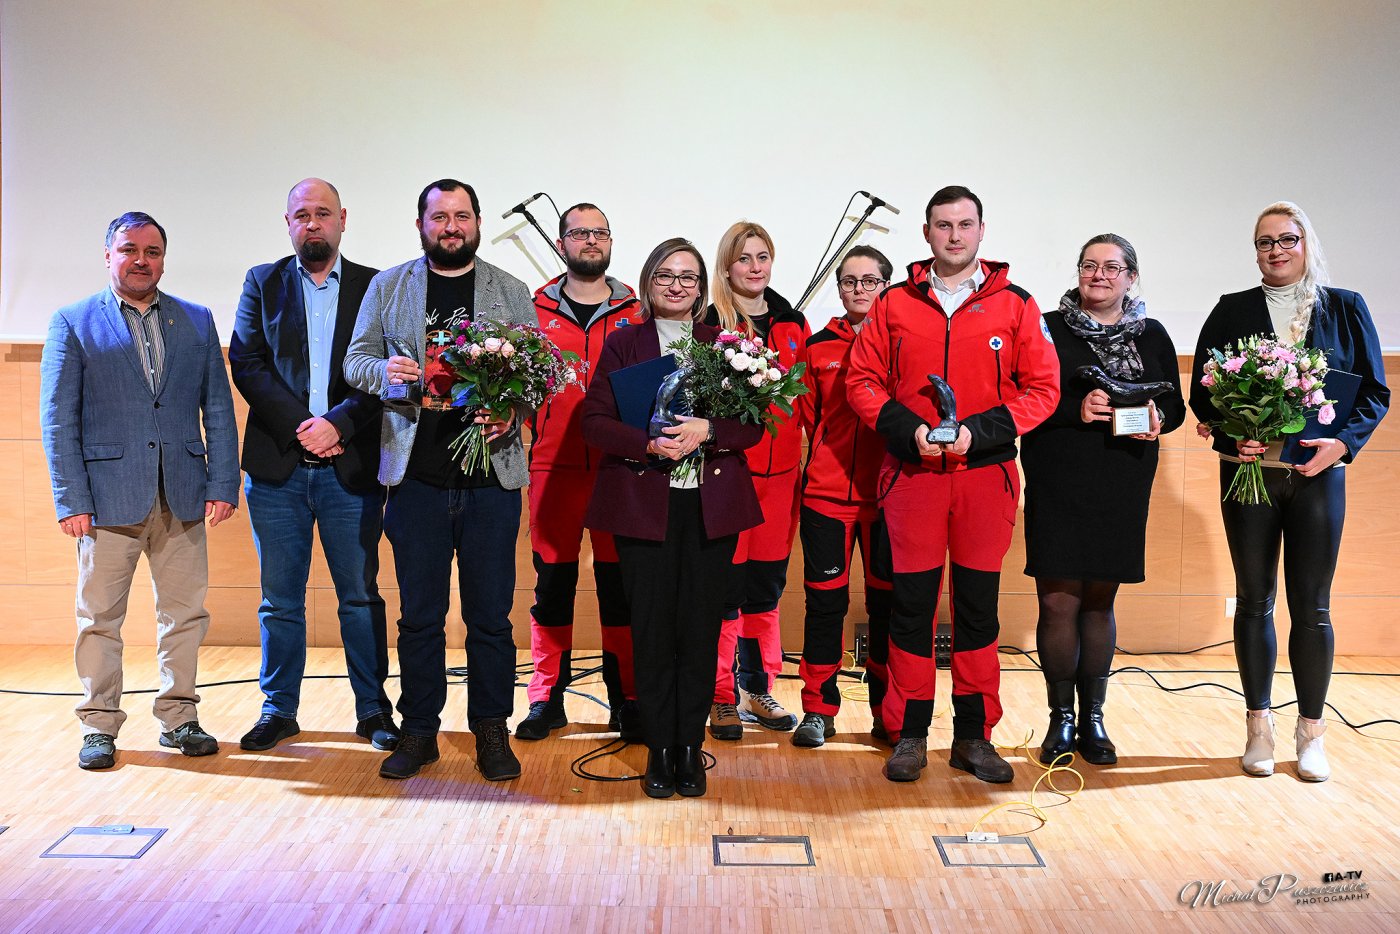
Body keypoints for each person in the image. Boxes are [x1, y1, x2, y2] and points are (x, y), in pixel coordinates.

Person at [847, 186, 1060, 783]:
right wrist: (908, 428)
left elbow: (1042, 390)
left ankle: (973, 735)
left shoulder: (1016, 305)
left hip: (984, 479)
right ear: (926, 233)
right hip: (912, 479)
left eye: (966, 225)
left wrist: (981, 431)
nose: (955, 236)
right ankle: (910, 732)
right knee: (910, 611)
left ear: (982, 231)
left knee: (977, 611)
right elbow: (862, 382)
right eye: (944, 225)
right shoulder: (893, 304)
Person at [343, 179, 537, 781]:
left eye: (461, 216)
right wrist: (389, 373)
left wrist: (514, 409)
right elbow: (355, 363)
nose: (451, 227)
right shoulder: (389, 286)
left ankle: (491, 732)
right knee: (419, 618)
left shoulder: (511, 290)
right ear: (421, 224)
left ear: (477, 222)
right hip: (415, 481)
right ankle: (420, 730)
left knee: (491, 620)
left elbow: (533, 376)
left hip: (491, 482)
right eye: (439, 217)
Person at [1189, 201, 1388, 782]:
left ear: (1306, 244)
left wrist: (1343, 446)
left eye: (1286, 239)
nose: (1275, 250)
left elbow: (1375, 392)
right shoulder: (1232, 311)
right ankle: (1258, 728)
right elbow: (1204, 391)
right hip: (1249, 475)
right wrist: (1231, 434)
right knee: (1254, 601)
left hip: (1318, 477)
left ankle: (1310, 734)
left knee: (1313, 606)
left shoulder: (1345, 308)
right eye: (1264, 241)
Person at [40, 211, 241, 770]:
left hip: (182, 493)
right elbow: (58, 420)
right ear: (108, 255)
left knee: (185, 616)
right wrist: (70, 498)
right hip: (105, 500)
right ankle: (99, 726)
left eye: (152, 251)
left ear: (163, 259)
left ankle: (179, 719)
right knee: (99, 618)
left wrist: (223, 481)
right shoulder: (74, 322)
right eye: (129, 250)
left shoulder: (196, 321)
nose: (141, 260)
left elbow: (219, 412)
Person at [581, 238, 764, 798]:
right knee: (653, 632)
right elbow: (593, 421)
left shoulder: (727, 344)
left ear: (702, 285)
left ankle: (690, 746)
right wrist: (647, 444)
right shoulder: (624, 344)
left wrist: (708, 430)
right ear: (647, 282)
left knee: (700, 629)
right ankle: (660, 749)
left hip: (710, 509)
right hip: (645, 507)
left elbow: (753, 425)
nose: (677, 285)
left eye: (688, 276)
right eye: (666, 275)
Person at [229, 178, 397, 753]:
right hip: (277, 468)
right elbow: (248, 363)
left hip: (350, 468)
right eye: (302, 215)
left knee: (360, 596)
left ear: (343, 219)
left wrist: (339, 425)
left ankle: (374, 709)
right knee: (280, 599)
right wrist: (305, 425)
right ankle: (279, 710)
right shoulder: (262, 281)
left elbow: (388, 371)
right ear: (288, 223)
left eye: (323, 213)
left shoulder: (376, 286)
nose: (313, 224)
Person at [1020, 234, 1184, 766]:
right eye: (1089, 266)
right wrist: (1076, 407)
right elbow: (1022, 393)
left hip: (1122, 477)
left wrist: (1160, 417)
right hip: (1059, 472)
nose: (1099, 275)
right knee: (1057, 600)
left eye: (1112, 268)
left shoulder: (1153, 333)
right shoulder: (1046, 326)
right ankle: (1059, 719)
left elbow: (1175, 406)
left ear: (1131, 277)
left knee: (1099, 601)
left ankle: (1093, 717)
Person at [517, 203, 643, 742]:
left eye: (600, 233)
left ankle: (627, 698)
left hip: (620, 471)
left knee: (621, 591)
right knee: (553, 588)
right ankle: (546, 697)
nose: (590, 241)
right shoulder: (532, 308)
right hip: (554, 467)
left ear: (610, 241)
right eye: (579, 233)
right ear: (562, 242)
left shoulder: (637, 311)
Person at [704, 222, 810, 740]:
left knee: (764, 591)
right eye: (744, 259)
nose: (755, 267)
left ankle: (757, 688)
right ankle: (721, 696)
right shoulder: (708, 324)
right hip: (727, 479)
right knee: (723, 593)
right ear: (727, 267)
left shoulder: (793, 323)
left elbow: (805, 401)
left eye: (763, 257)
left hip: (780, 481)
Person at [793, 245, 895, 748]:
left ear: (886, 287)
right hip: (827, 498)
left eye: (869, 281)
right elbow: (811, 419)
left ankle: (888, 711)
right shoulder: (817, 347)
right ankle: (817, 708)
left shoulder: (902, 344)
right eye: (850, 282)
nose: (859, 290)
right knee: (825, 606)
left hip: (890, 499)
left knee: (887, 607)